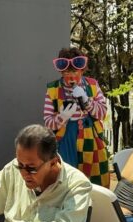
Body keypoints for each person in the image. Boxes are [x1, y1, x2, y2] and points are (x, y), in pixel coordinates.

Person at [43, 46, 111, 187]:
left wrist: (87, 100)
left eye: (74, 71)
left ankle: (95, 206)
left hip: (90, 136)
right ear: (62, 71)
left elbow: (103, 113)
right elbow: (48, 123)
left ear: (81, 70)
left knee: (92, 179)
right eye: (67, 72)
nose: (71, 76)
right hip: (66, 138)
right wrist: (62, 117)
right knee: (67, 180)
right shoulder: (53, 89)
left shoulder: (92, 85)